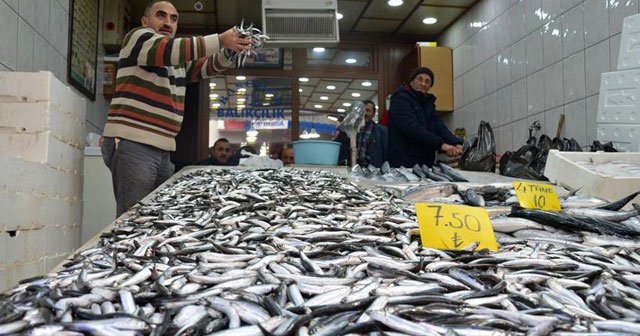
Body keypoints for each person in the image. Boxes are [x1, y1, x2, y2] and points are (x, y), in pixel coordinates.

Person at [100, 1, 252, 216]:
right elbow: (168, 50)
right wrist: (219, 40)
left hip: (163, 148)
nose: (167, 22)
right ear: (145, 21)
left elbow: (204, 67)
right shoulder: (137, 38)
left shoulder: (175, 60)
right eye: (160, 16)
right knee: (132, 219)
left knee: (155, 216)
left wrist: (229, 51)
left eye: (173, 19)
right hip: (135, 143)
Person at [387, 67, 463, 168]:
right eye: (420, 79)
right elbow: (412, 128)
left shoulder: (427, 103)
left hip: (425, 163)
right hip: (403, 163)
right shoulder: (400, 99)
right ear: (411, 82)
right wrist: (442, 145)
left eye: (427, 81)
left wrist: (456, 143)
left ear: (430, 86)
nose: (423, 84)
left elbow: (438, 127)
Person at [356, 100, 387, 168]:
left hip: (373, 170)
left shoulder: (381, 131)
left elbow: (386, 154)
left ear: (373, 114)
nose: (364, 113)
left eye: (368, 110)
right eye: (362, 110)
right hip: (356, 168)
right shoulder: (353, 130)